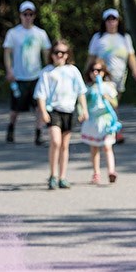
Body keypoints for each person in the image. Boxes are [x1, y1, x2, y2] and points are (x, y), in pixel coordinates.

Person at [34, 39, 88, 190]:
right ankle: (53, 174)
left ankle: (62, 176)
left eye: (63, 53)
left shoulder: (73, 70)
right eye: (57, 52)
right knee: (55, 142)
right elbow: (40, 94)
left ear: (67, 55)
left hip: (69, 110)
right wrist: (43, 111)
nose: (60, 55)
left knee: (65, 145)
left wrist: (84, 110)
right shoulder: (47, 72)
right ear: (52, 54)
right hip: (53, 110)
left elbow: (81, 92)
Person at [86, 8, 136, 143]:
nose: (111, 22)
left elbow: (131, 56)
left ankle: (109, 129)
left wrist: (135, 70)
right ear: (104, 22)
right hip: (104, 78)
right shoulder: (98, 38)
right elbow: (91, 58)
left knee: (113, 103)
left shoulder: (124, 38)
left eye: (114, 19)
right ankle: (115, 131)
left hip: (119, 77)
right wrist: (86, 73)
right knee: (111, 104)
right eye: (108, 20)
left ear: (118, 21)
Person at [3, 1, 52, 144]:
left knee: (39, 106)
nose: (28, 17)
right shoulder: (13, 33)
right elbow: (7, 53)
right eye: (25, 14)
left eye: (31, 14)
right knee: (15, 108)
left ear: (34, 15)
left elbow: (46, 52)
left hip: (36, 76)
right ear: (20, 15)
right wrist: (9, 70)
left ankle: (38, 133)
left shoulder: (40, 33)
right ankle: (11, 128)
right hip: (18, 76)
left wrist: (47, 71)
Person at [80, 60, 119, 184]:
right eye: (93, 70)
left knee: (107, 146)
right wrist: (81, 112)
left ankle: (111, 171)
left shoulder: (108, 86)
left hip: (106, 121)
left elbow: (115, 104)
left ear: (104, 72)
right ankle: (96, 173)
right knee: (95, 148)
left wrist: (107, 97)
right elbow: (82, 103)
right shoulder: (87, 88)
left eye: (99, 70)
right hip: (93, 121)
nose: (95, 73)